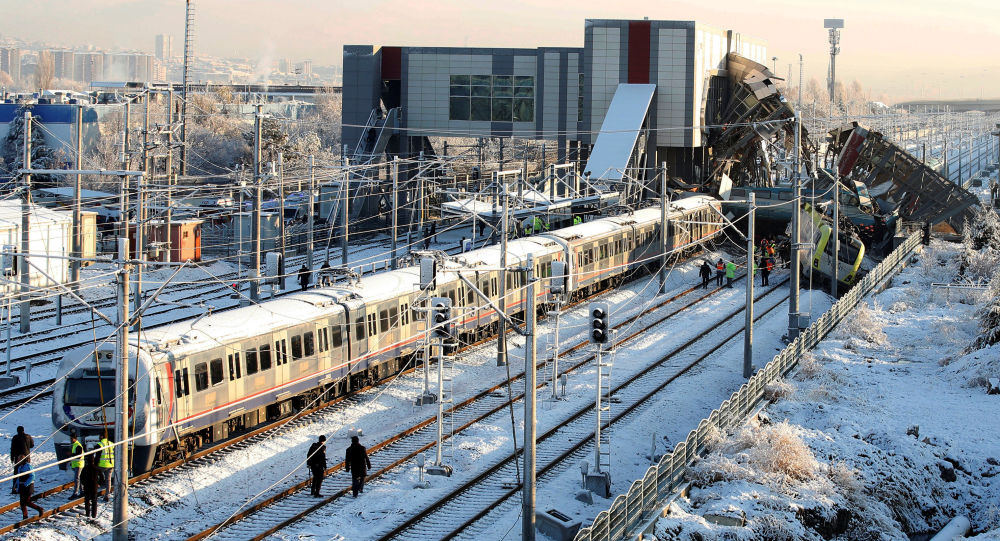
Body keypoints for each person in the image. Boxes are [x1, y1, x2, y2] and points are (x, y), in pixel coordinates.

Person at [13, 454, 43, 519]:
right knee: (22, 503)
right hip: (22, 487)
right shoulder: (19, 467)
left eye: (19, 460)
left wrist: (25, 484)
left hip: (28, 486)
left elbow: (32, 476)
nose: (17, 461)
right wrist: (15, 486)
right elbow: (18, 477)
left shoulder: (28, 466)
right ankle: (25, 516)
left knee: (27, 501)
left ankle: (39, 509)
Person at [10, 426, 33, 494]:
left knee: (17, 473)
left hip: (18, 458)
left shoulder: (15, 437)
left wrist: (12, 458)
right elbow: (32, 445)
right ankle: (26, 487)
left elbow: (12, 448)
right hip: (27, 457)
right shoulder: (28, 436)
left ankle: (15, 488)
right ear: (23, 430)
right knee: (27, 472)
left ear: (17, 431)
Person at [80, 452, 100, 518]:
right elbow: (102, 477)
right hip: (94, 487)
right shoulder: (96, 468)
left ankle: (87, 514)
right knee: (94, 501)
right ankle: (94, 515)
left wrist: (84, 483)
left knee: (87, 501)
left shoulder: (85, 468)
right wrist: (98, 483)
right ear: (93, 460)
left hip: (87, 486)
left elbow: (81, 477)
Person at [97, 434, 114, 502]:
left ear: (101, 437)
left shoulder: (100, 444)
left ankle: (93, 491)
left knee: (95, 477)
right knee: (108, 480)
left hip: (102, 465)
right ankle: (107, 495)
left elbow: (97, 456)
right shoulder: (111, 444)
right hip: (110, 465)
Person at [69, 431, 84, 498]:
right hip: (76, 464)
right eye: (70, 438)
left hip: (79, 464)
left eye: (72, 438)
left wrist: (71, 454)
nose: (71, 440)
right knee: (79, 479)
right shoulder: (75, 445)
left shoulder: (78, 445)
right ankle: (81, 492)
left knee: (77, 479)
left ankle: (75, 493)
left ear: (75, 438)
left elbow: (79, 455)